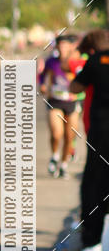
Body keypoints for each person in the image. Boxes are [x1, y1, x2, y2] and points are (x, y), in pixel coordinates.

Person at [70, 30, 109, 251]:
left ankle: (92, 236)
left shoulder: (95, 61)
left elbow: (74, 87)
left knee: (95, 181)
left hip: (101, 130)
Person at [39, 33, 82, 177]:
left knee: (70, 137)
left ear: (70, 47)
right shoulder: (51, 61)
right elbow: (42, 75)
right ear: (57, 47)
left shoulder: (76, 62)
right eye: (60, 45)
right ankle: (55, 156)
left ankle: (63, 164)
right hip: (55, 101)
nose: (62, 48)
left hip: (71, 102)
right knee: (56, 133)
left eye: (65, 45)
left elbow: (84, 78)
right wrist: (42, 86)